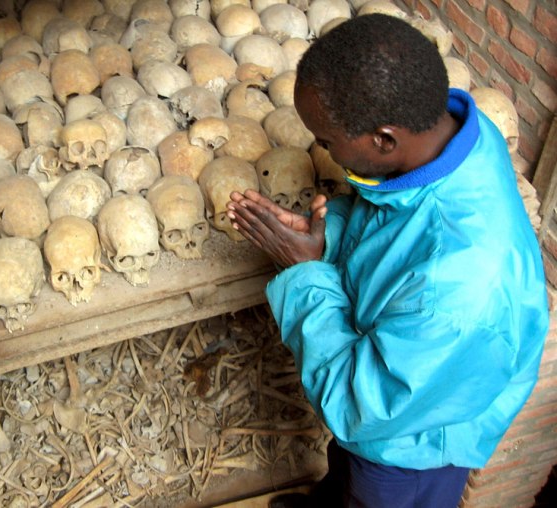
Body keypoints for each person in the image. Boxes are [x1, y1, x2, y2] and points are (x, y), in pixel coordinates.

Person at [226, 14, 549, 508]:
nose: (320, 148)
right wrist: (328, 233)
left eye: (328, 141)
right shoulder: (455, 136)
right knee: (346, 473)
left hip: (410, 453)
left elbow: (358, 408)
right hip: (400, 400)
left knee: (369, 486)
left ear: (383, 139)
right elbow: (400, 227)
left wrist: (305, 274)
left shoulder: (456, 292)